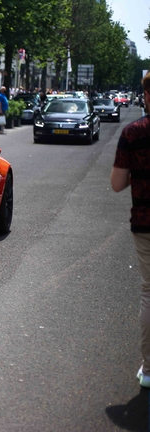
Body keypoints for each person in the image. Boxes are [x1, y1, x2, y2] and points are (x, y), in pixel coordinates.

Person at [111, 71, 150, 388]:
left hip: (146, 221)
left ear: (146, 96)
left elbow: (117, 184)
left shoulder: (134, 133)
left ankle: (149, 369)